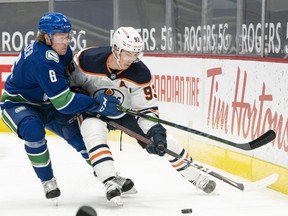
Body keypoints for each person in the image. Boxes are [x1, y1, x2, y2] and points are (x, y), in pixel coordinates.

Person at [67, 26, 217, 206]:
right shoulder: (86, 59)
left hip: (124, 112)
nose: (132, 59)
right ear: (116, 49)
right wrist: (89, 101)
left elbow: (146, 110)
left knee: (166, 141)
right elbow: (68, 84)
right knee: (92, 131)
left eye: (136, 54)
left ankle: (196, 176)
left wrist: (156, 132)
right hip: (92, 109)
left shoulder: (140, 73)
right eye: (128, 53)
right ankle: (109, 182)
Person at [0, 13, 134, 201]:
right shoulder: (42, 60)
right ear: (46, 37)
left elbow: (69, 83)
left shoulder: (63, 52)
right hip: (19, 103)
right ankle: (48, 181)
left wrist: (90, 95)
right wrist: (97, 104)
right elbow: (64, 102)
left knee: (78, 136)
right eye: (60, 37)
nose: (66, 41)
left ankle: (108, 177)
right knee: (33, 131)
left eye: (67, 36)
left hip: (48, 102)